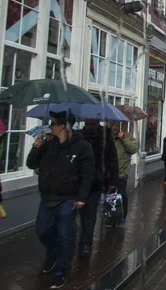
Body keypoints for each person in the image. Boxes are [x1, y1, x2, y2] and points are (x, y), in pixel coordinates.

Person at [26, 111, 94, 289]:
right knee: (42, 230)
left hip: (68, 199)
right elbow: (31, 164)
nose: (51, 126)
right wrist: (36, 147)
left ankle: (61, 272)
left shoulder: (82, 147)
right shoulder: (49, 144)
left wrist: (81, 197)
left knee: (65, 236)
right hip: (47, 197)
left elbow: (88, 175)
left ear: (63, 126)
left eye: (54, 123)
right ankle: (53, 252)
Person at [79, 120, 118, 258]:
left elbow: (113, 159)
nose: (89, 127)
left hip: (96, 182)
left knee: (89, 214)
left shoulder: (105, 137)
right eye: (87, 124)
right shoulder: (79, 136)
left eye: (92, 124)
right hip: (77, 182)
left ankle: (85, 243)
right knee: (74, 216)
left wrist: (113, 180)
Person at [111, 122, 139, 226]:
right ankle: (110, 217)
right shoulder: (107, 137)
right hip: (109, 173)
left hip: (121, 172)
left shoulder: (128, 136)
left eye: (117, 125)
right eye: (113, 125)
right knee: (110, 196)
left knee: (121, 195)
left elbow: (133, 149)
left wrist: (123, 139)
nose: (115, 127)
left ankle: (121, 216)